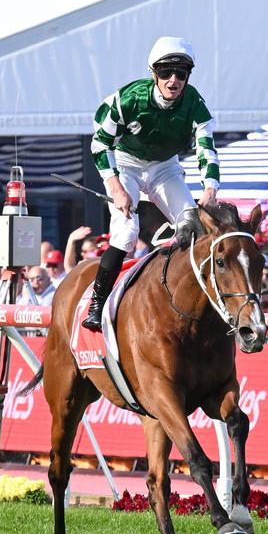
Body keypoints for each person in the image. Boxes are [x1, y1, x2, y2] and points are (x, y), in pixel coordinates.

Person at [83, 36, 220, 331]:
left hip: (164, 167)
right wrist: (116, 187)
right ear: (153, 73)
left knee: (192, 226)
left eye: (181, 73)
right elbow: (99, 143)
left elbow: (206, 148)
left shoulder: (195, 103)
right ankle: (97, 304)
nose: (173, 80)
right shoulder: (129, 98)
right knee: (127, 233)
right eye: (166, 73)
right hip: (126, 164)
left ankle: (188, 301)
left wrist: (210, 188)